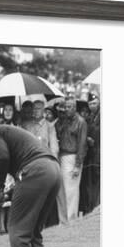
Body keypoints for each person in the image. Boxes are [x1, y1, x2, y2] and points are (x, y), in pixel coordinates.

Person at [55, 96, 88, 224]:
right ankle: (63, 220)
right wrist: (60, 114)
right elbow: (56, 130)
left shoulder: (81, 122)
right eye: (65, 107)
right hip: (61, 156)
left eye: (69, 107)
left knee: (71, 192)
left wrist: (77, 165)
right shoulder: (63, 120)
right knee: (62, 191)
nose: (67, 109)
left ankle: (71, 220)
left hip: (73, 157)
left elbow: (82, 144)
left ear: (74, 108)